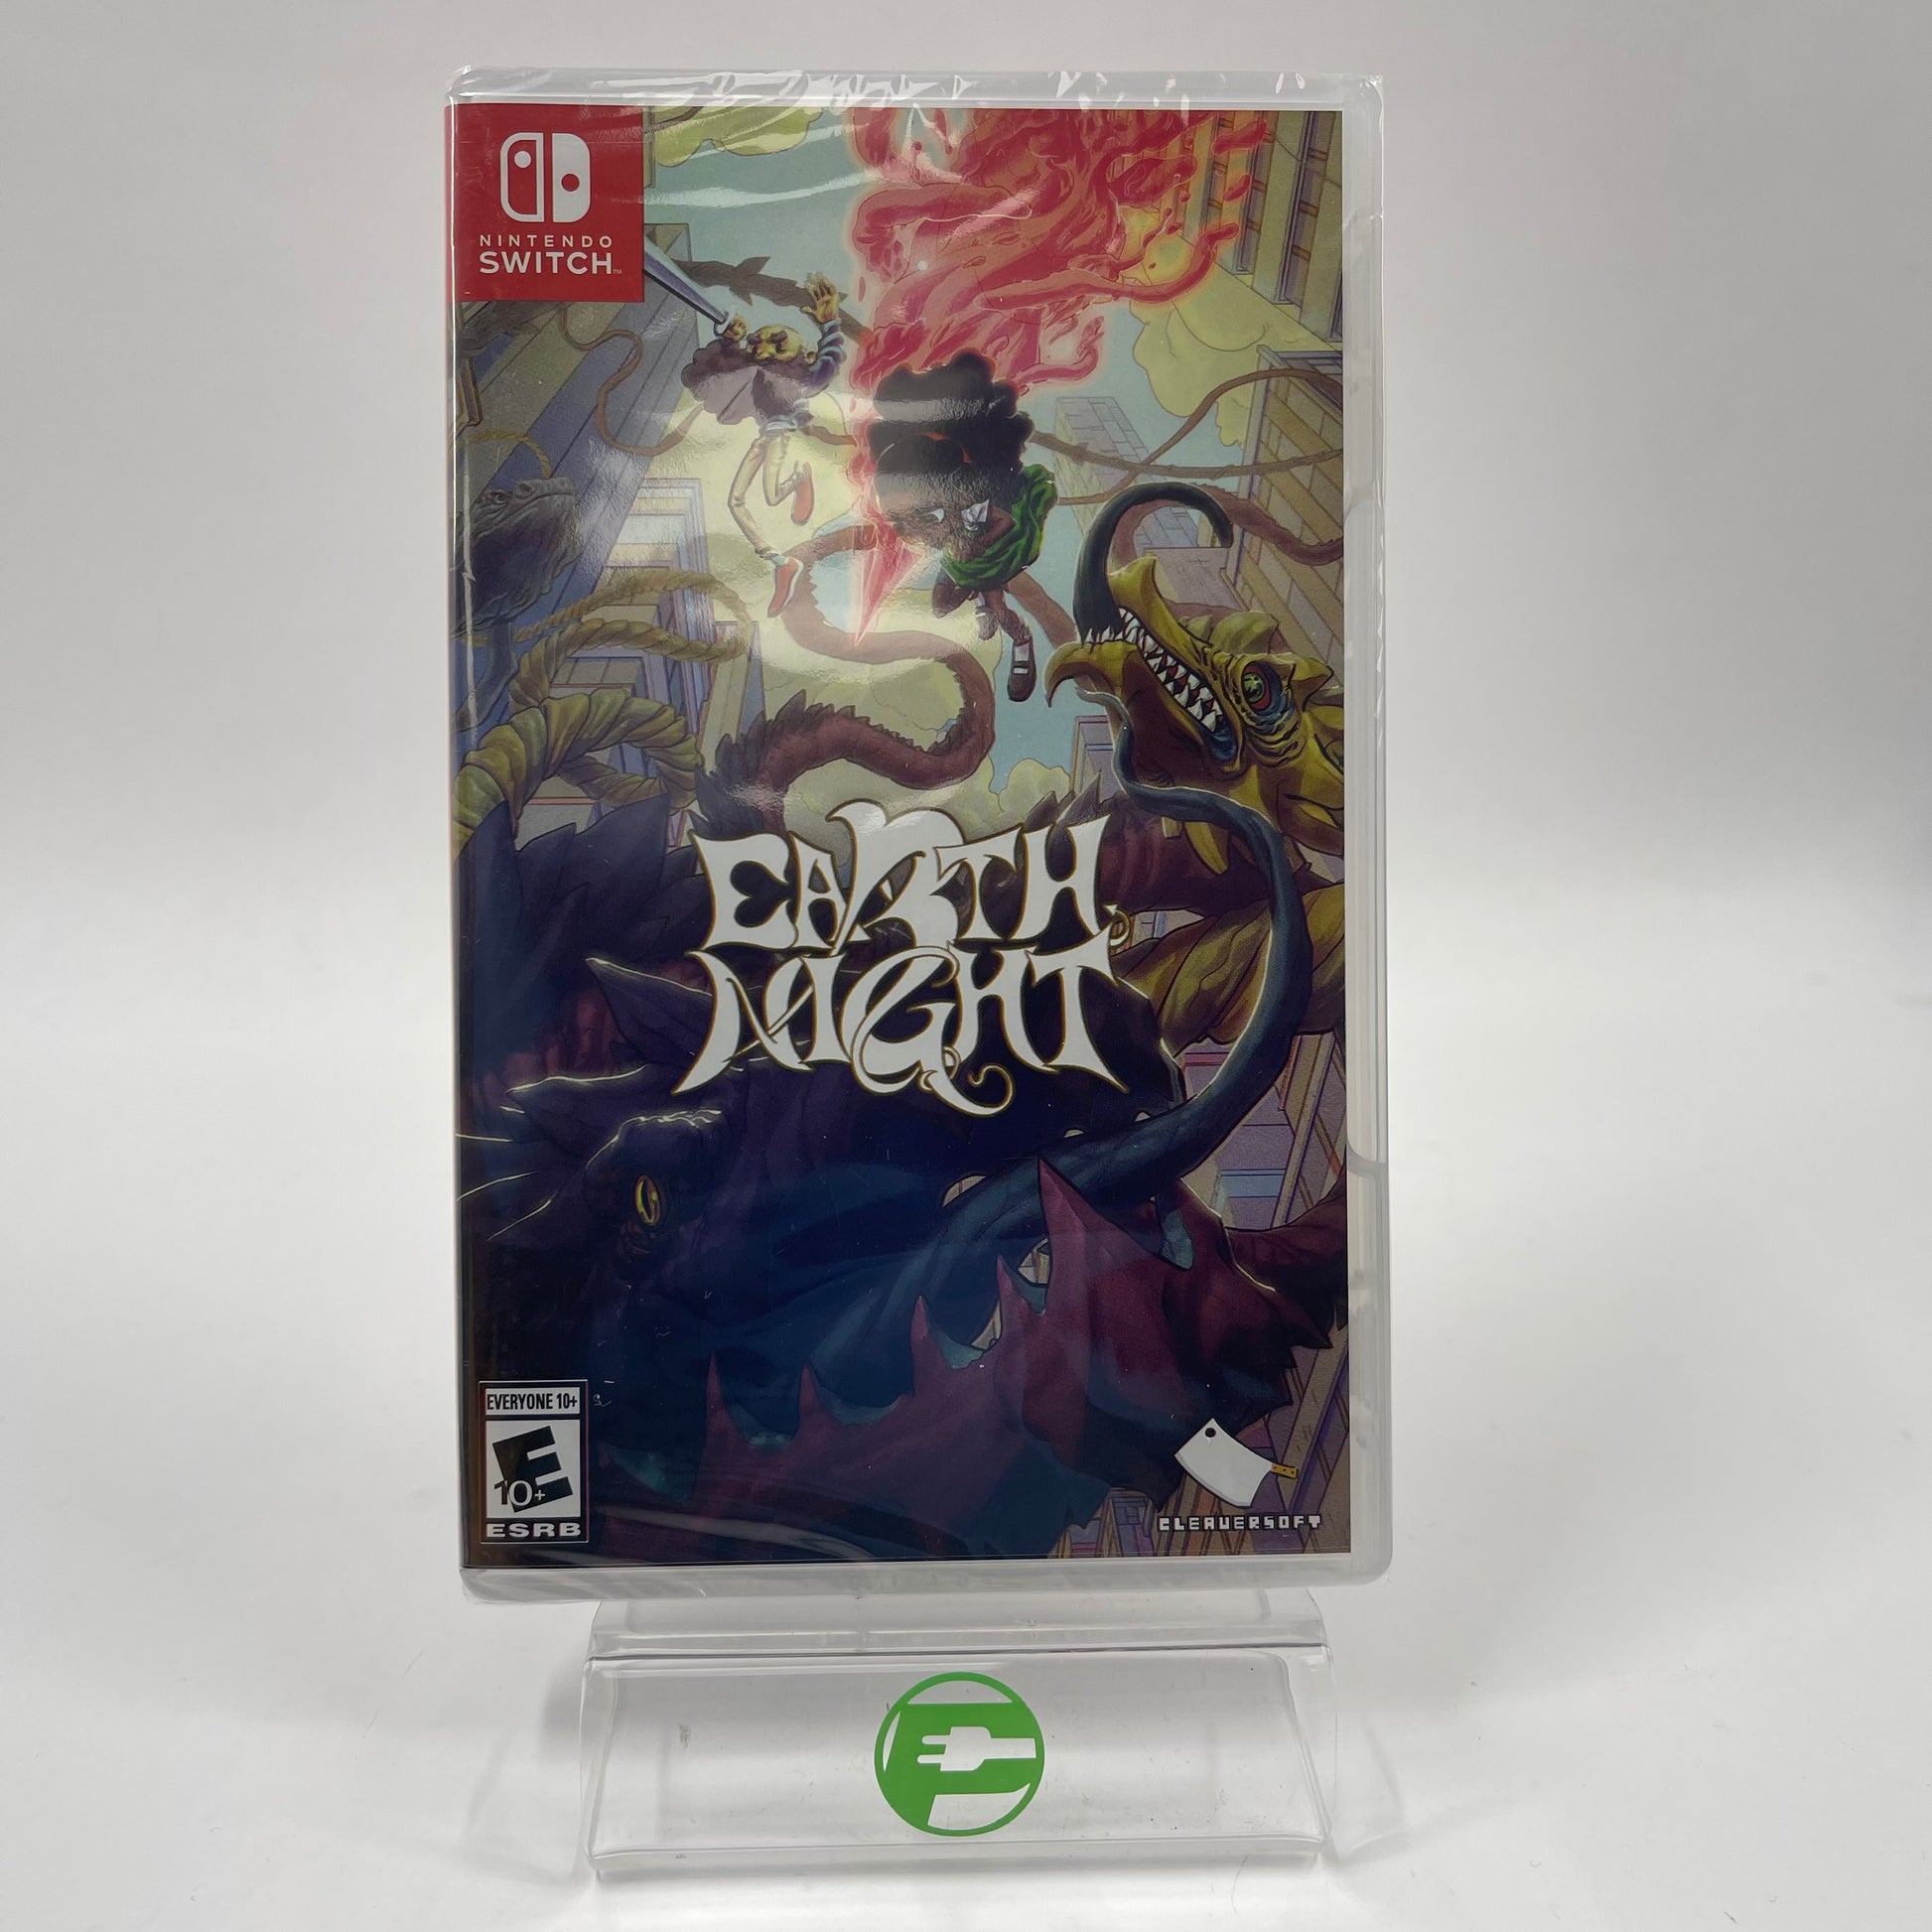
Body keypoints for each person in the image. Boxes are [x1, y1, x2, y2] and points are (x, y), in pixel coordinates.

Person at [865, 353, 1057, 700]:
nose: (915, 532)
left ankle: (1022, 642)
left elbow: (1006, 520)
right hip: (957, 560)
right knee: (940, 606)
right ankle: (980, 602)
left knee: (1000, 609)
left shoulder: (975, 508)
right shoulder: (926, 504)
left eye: (927, 517)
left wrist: (979, 547)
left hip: (984, 561)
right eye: (903, 519)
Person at [680, 272, 844, 615]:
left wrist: (830, 325)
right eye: (757, 343)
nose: (765, 349)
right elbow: (713, 375)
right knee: (735, 501)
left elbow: (827, 365)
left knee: (770, 496)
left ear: (805, 355)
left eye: (778, 344)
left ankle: (800, 477)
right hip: (765, 438)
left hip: (778, 438)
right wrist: (729, 342)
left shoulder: (802, 378)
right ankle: (780, 562)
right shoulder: (752, 376)